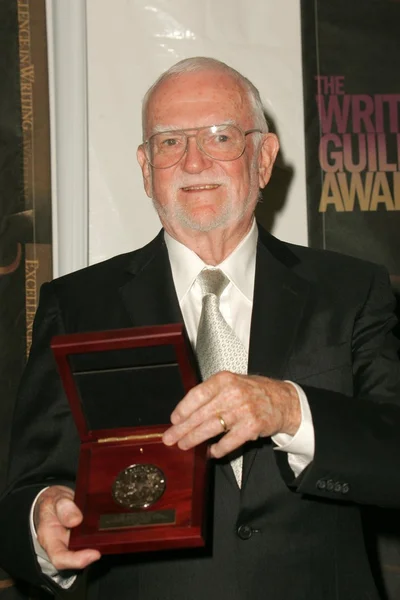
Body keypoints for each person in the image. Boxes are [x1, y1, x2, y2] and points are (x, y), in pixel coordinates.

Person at [0, 56, 400, 600]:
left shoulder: (352, 291)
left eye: (220, 137)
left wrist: (289, 409)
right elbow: (27, 485)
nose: (193, 162)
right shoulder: (77, 305)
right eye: (169, 142)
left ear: (263, 158)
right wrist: (41, 522)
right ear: (145, 169)